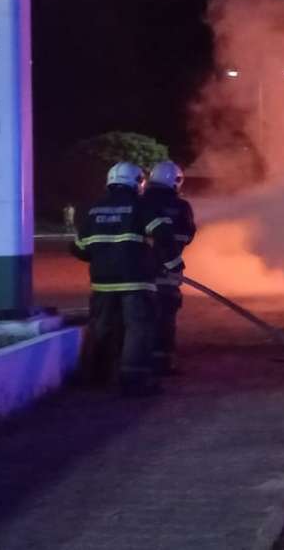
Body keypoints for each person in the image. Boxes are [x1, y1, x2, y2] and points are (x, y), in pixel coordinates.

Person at [70, 162, 175, 396]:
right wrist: (165, 262)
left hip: (102, 283)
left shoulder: (94, 209)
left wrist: (104, 255)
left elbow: (79, 248)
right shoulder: (141, 204)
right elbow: (164, 235)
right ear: (138, 182)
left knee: (101, 328)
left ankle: (95, 377)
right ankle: (134, 381)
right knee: (138, 329)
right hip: (136, 281)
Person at [141, 161, 195, 375]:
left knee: (140, 314)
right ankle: (163, 361)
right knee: (166, 314)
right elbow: (187, 235)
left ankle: (137, 357)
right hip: (168, 270)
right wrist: (171, 257)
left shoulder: (138, 201)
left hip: (140, 270)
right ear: (176, 180)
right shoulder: (181, 206)